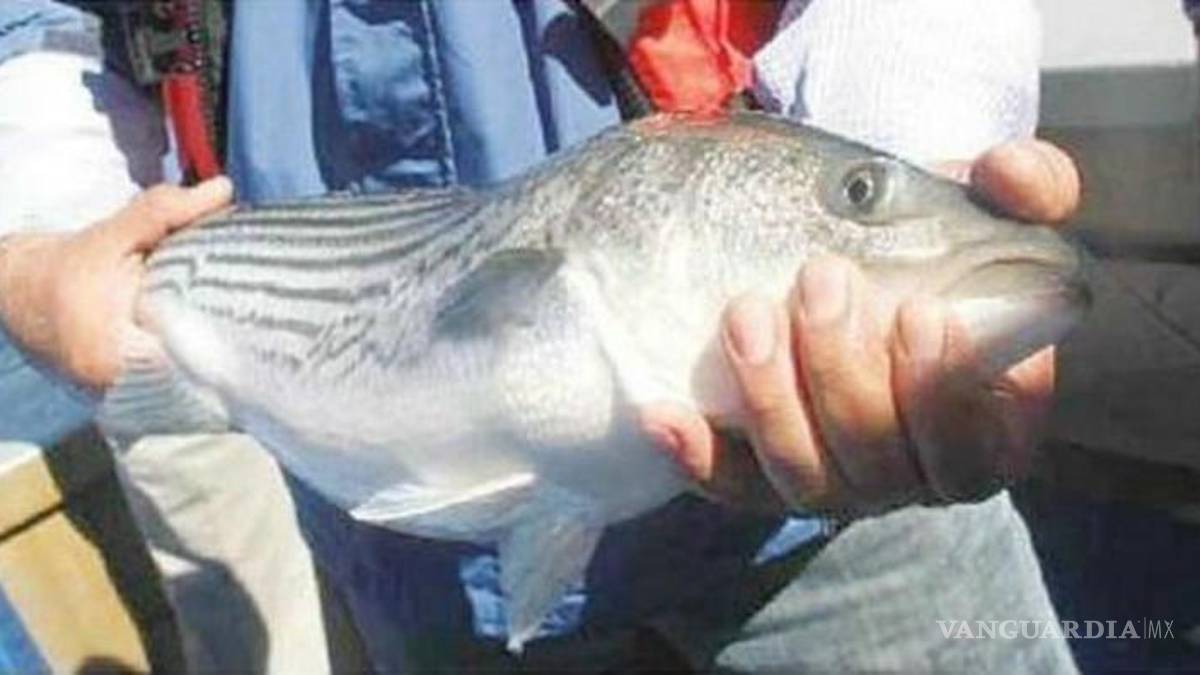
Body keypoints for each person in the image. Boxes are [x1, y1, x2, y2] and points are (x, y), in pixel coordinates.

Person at [0, 0, 1081, 671]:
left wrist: (916, 135)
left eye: (859, 198)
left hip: (836, 532)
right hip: (408, 566)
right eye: (861, 196)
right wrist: (42, 241)